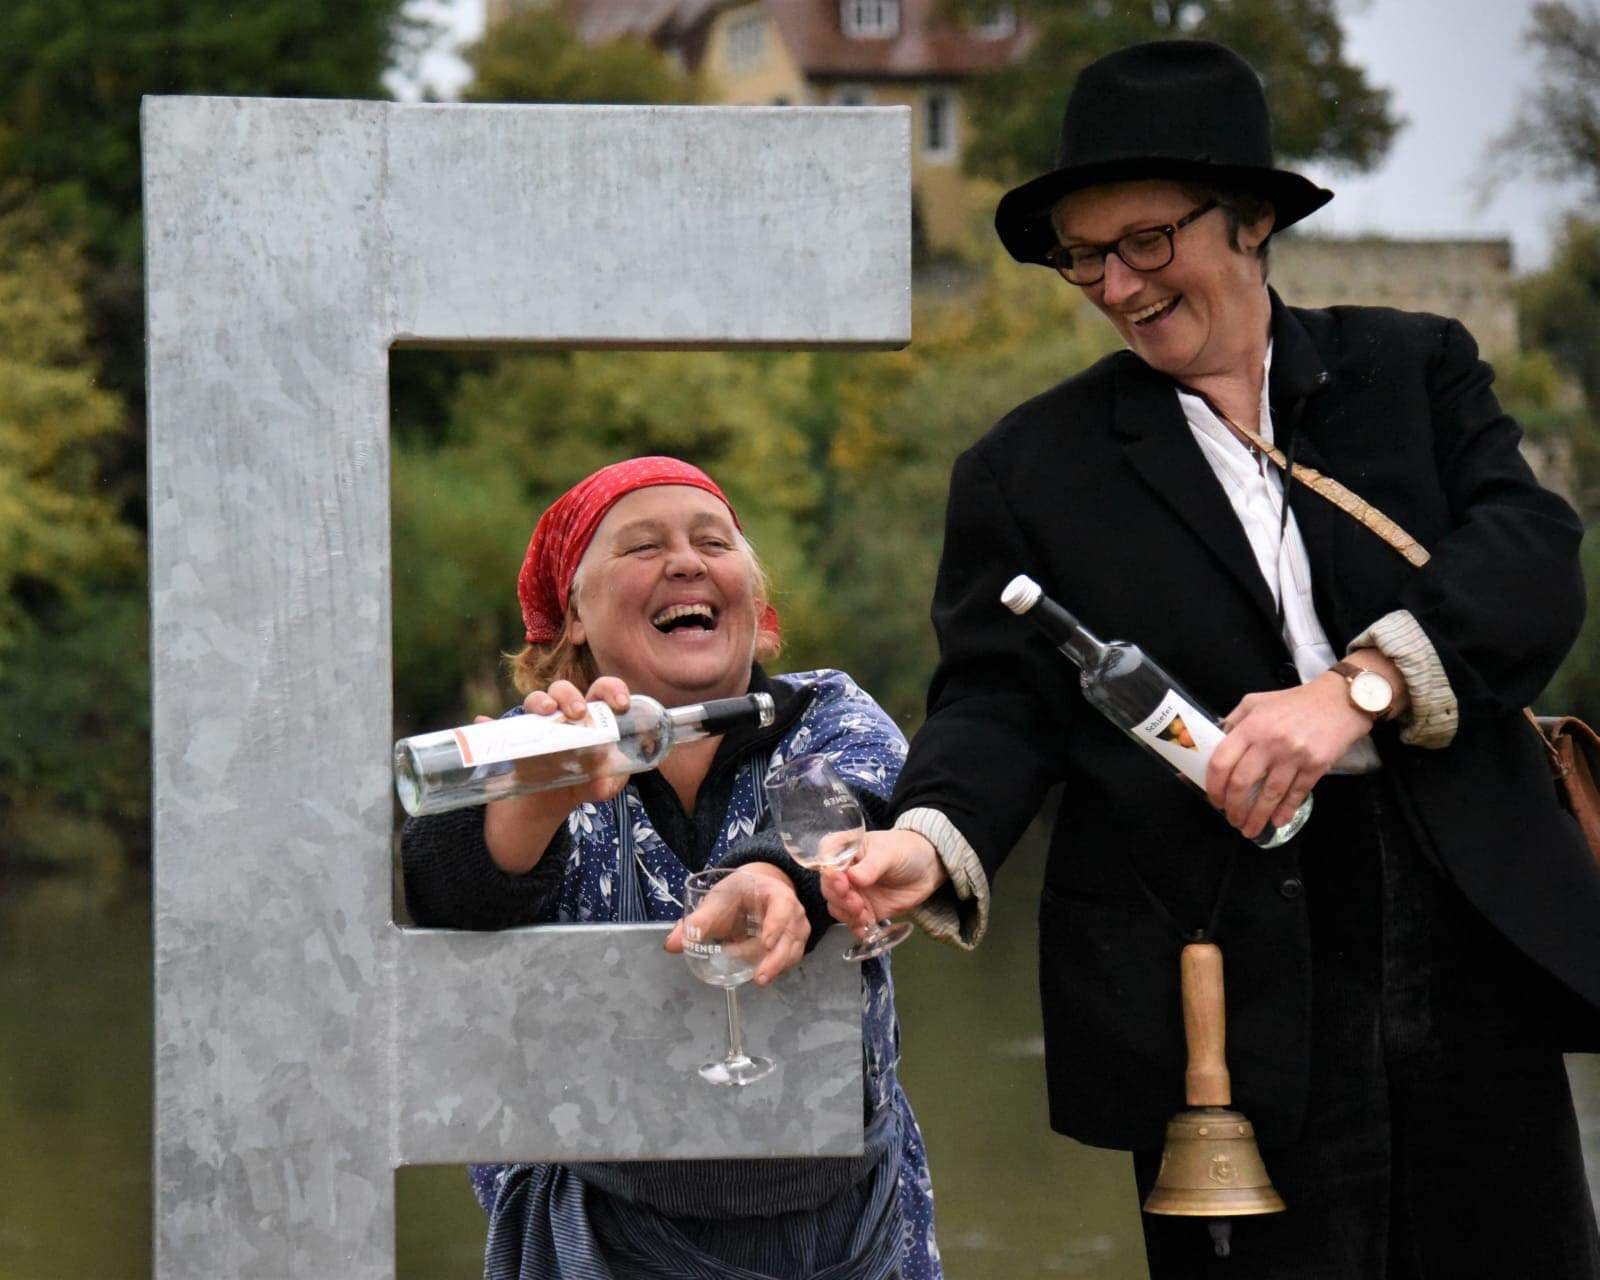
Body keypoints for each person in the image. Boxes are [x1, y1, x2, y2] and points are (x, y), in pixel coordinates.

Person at [822, 39, 1600, 1280]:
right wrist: (928, 838)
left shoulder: (1413, 368)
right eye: (1084, 256)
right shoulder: (1028, 470)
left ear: (1248, 219)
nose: (1116, 284)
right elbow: (996, 704)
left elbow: (1530, 556)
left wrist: (1353, 692)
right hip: (1211, 984)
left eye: (1146, 240)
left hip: (1466, 935)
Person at [401, 456, 940, 1280]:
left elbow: (873, 796)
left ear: (753, 602)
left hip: (844, 1221)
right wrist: (542, 797)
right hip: (602, 1226)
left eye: (713, 542)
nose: (686, 561)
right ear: (575, 618)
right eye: (642, 546)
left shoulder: (825, 710)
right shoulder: (534, 739)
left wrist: (780, 878)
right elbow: (445, 894)